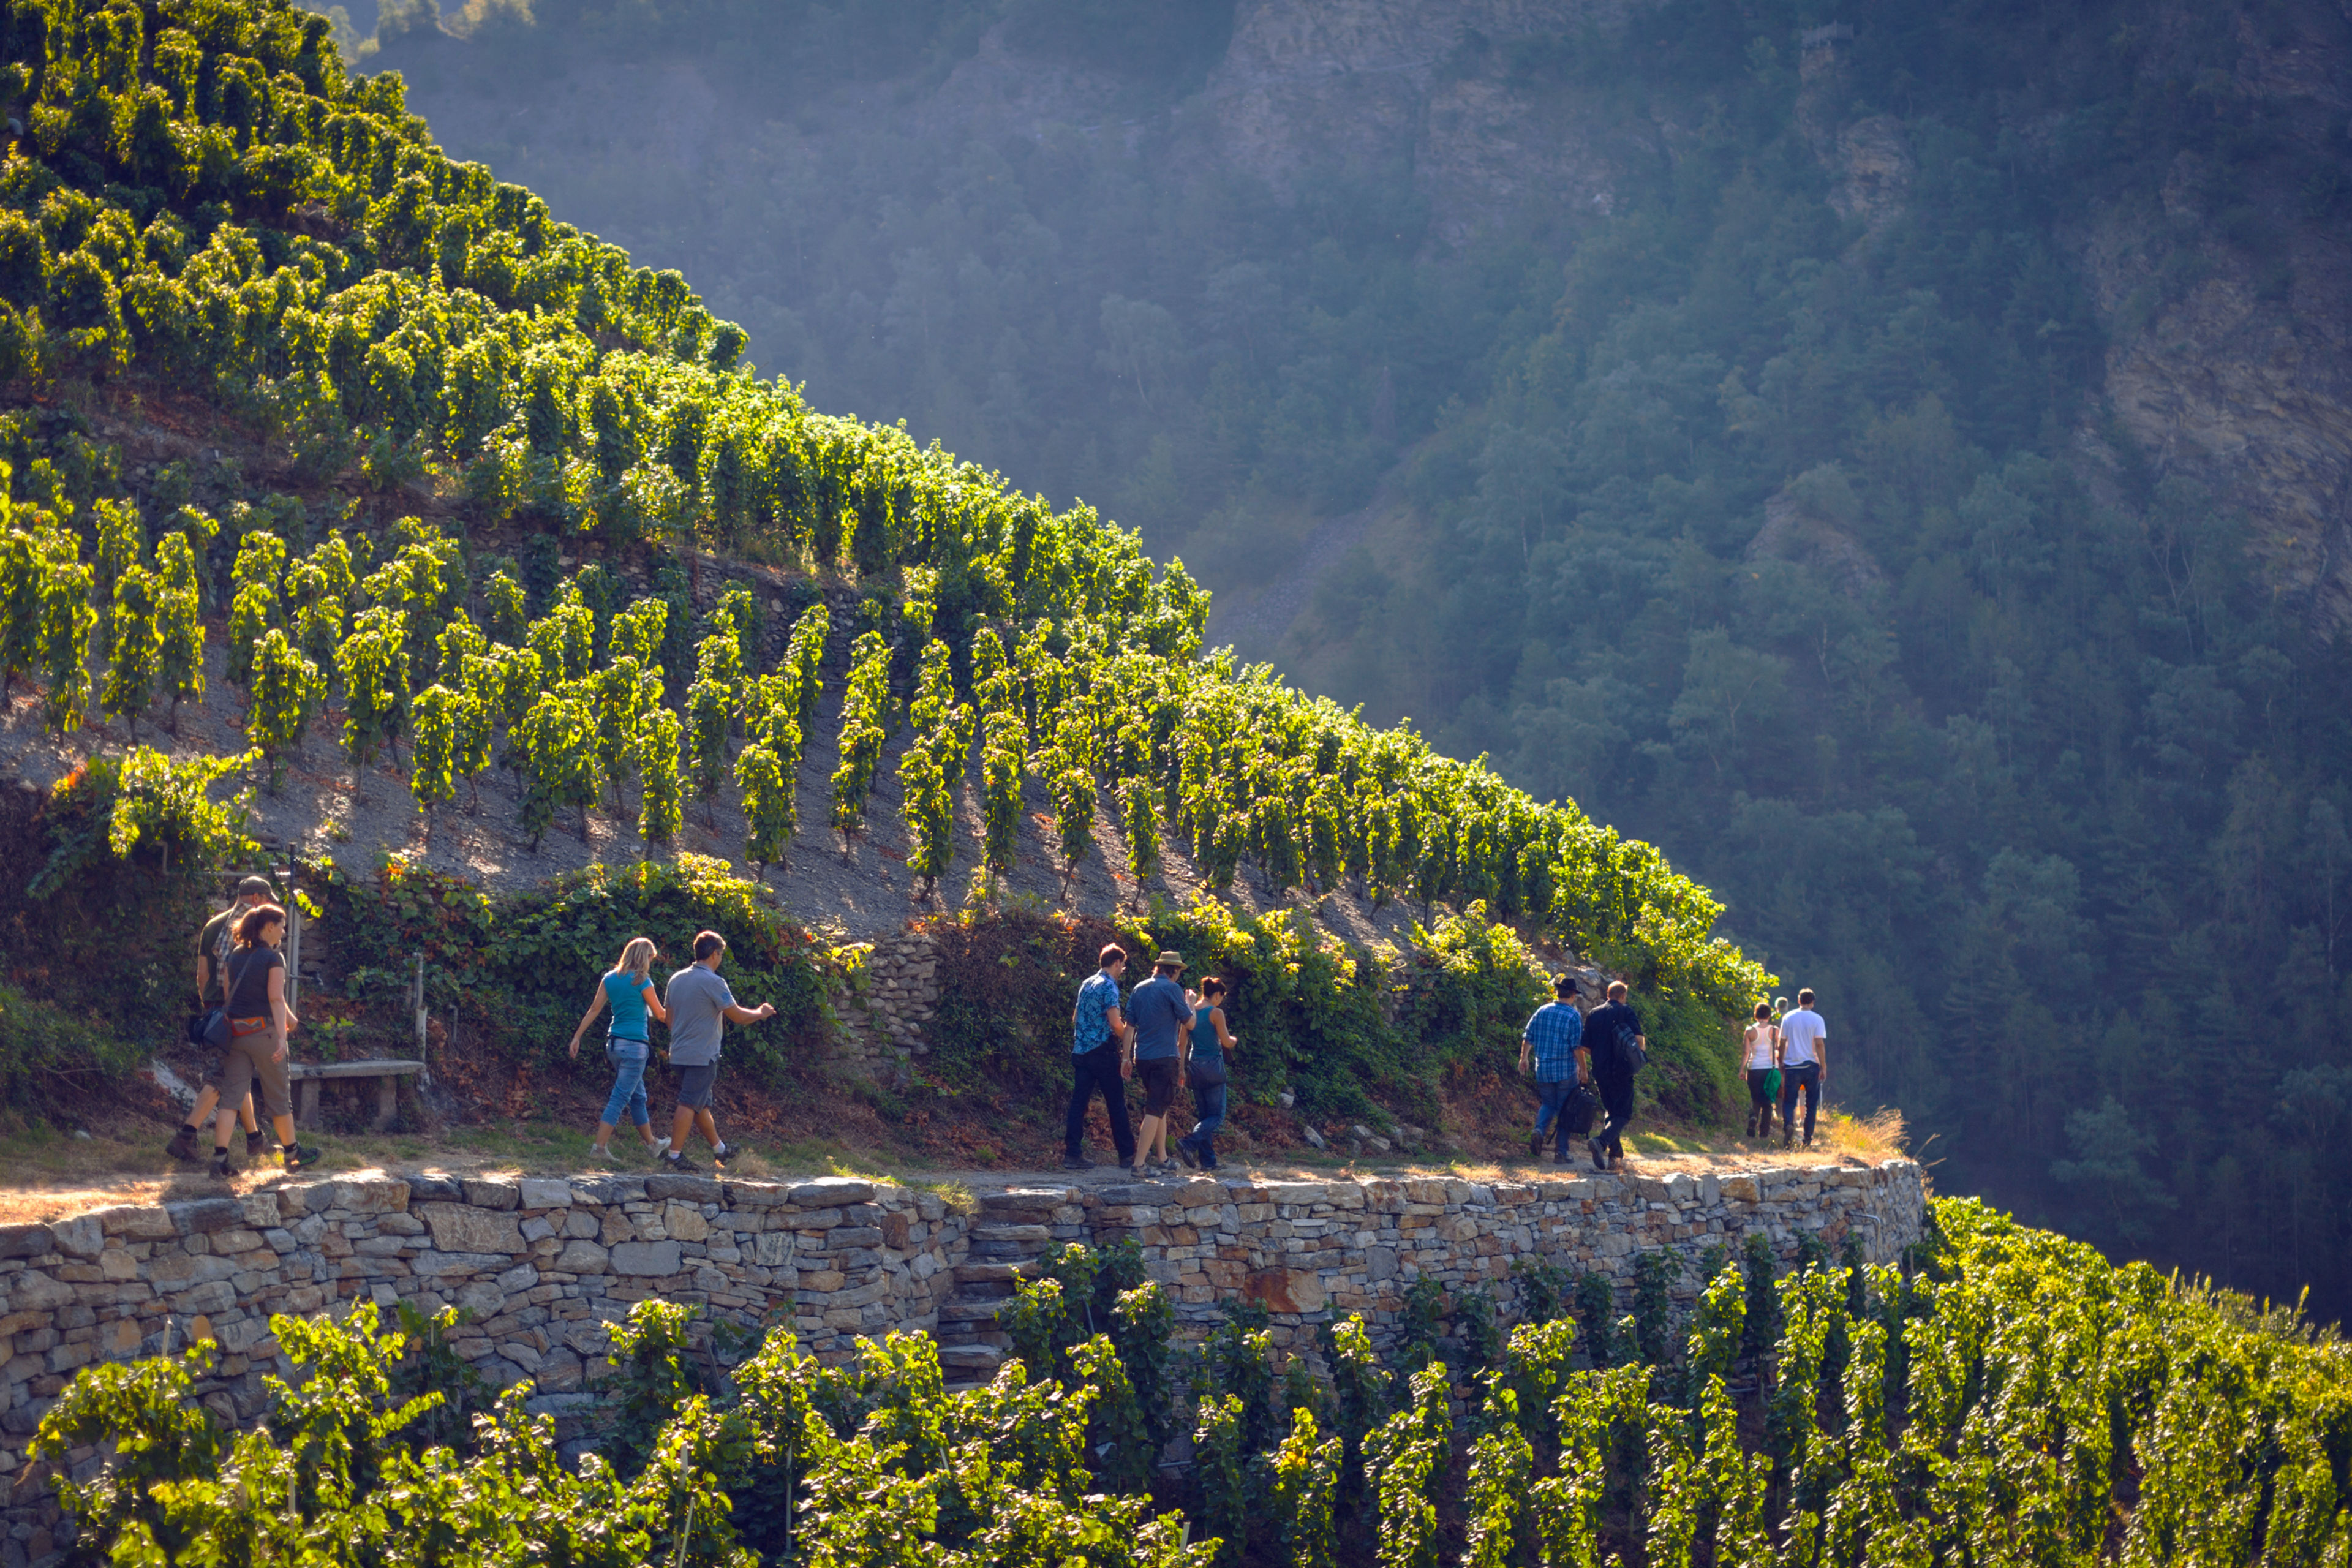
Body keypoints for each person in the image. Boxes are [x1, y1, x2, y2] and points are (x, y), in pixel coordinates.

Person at [208, 903, 321, 1177]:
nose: (284, 931)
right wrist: (283, 1038)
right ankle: (293, 1154)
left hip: (235, 1034)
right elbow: (275, 998)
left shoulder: (234, 956)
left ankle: (219, 1161)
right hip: (264, 1033)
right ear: (269, 927)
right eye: (282, 925)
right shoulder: (273, 959)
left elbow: (228, 996)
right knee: (279, 1096)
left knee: (231, 1098)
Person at [166, 875, 270, 1162]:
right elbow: (237, 973)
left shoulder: (213, 925)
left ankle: (255, 1139)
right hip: (233, 1008)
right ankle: (185, 1137)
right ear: (258, 898)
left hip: (213, 1006)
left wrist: (208, 1006)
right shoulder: (247, 927)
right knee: (221, 1076)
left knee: (237, 1073)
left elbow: (202, 974)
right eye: (267, 899)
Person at [658, 931, 775, 1172]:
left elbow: (669, 1019)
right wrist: (760, 1013)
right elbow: (738, 1016)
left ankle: (720, 1150)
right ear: (715, 954)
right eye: (721, 954)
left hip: (678, 1052)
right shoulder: (713, 982)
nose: (721, 959)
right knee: (689, 1102)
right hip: (702, 1055)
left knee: (701, 1104)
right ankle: (674, 1156)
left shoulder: (676, 979)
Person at [567, 937, 675, 1164]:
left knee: (638, 1096)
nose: (650, 963)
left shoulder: (610, 979)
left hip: (614, 1045)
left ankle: (653, 1145)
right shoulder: (642, 980)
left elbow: (595, 1009)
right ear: (642, 956)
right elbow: (661, 1014)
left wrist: (577, 1036)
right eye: (649, 958)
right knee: (620, 1097)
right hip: (635, 1048)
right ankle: (599, 1148)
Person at [1065, 944, 1136, 1172]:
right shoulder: (1109, 987)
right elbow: (1116, 1023)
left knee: (1078, 1104)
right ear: (1116, 963)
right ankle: (1127, 1156)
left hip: (1081, 1050)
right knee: (1116, 1104)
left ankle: (1072, 1154)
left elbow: (1077, 1016)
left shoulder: (1086, 983)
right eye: (1122, 965)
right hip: (1103, 1053)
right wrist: (1130, 1038)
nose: (1123, 969)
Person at [1125, 952, 1196, 1175]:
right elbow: (1191, 1023)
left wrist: (1125, 1057)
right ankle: (1139, 1165)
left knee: (1159, 1108)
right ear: (1174, 970)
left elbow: (1129, 1026)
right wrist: (1191, 1003)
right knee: (1155, 1110)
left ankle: (1163, 1159)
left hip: (1142, 1057)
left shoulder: (1140, 988)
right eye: (1179, 972)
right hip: (1165, 1058)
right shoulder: (1172, 989)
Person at [1518, 975, 1586, 1161]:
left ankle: (1539, 1130)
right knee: (1565, 1110)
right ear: (1573, 994)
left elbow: (1528, 1036)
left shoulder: (1542, 1011)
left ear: (1557, 992)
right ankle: (1561, 1153)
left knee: (1548, 1104)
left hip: (1543, 1069)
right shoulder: (1573, 1016)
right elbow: (1576, 1047)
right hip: (1565, 1071)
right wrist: (1584, 1070)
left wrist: (1523, 1059)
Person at [1581, 980, 1646, 1172]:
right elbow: (1639, 1039)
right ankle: (1601, 1143)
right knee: (1623, 1113)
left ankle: (1615, 1158)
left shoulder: (1594, 1013)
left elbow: (1585, 1046)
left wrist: (1601, 1056)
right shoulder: (1626, 1012)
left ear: (1608, 994)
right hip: (1621, 1070)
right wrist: (1636, 1057)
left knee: (1611, 1111)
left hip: (1600, 1071)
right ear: (1623, 996)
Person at [1174, 976, 1238, 1170]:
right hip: (1213, 1067)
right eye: (1221, 997)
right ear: (1217, 994)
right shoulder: (1216, 1013)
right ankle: (1189, 1142)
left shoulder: (1190, 1012)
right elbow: (1227, 1042)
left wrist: (1181, 1069)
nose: (1221, 1001)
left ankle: (1208, 1162)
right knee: (1217, 1116)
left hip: (1195, 1066)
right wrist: (1234, 1040)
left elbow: (1182, 1044)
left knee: (1204, 1116)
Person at [1778, 987, 1828, 1150]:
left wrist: (1781, 1061)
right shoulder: (1817, 1019)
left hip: (1792, 1066)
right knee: (1811, 1104)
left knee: (1789, 1100)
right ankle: (1807, 1139)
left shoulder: (1788, 1017)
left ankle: (1788, 1125)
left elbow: (1782, 1042)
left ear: (1799, 1001)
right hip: (1811, 1066)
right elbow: (1819, 1044)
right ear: (1812, 1003)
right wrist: (1823, 1066)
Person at [1743, 1001, 1781, 1140]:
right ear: (1769, 1015)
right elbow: (1779, 1050)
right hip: (1770, 1069)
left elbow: (1746, 1053)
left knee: (1755, 1099)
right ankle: (1764, 1133)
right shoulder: (1775, 1030)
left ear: (1756, 1015)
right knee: (1768, 1103)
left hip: (1754, 1068)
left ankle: (1753, 1117)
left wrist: (1742, 1069)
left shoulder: (1749, 1030)